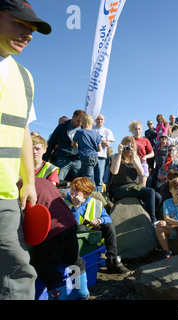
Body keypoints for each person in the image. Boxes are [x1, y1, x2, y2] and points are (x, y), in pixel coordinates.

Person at [0, 0, 51, 300]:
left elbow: (22, 133)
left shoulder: (25, 78)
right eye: (20, 23)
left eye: (31, 28)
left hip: (5, 197)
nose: (28, 34)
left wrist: (29, 180)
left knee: (18, 273)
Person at [18, 177, 88, 300]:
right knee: (73, 259)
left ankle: (59, 297)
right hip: (68, 223)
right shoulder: (41, 180)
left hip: (48, 230)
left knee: (47, 269)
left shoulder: (19, 188)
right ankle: (81, 291)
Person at [65, 177, 130, 275]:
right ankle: (81, 264)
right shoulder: (65, 203)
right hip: (75, 238)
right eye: (72, 189)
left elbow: (108, 219)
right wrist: (75, 207)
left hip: (94, 233)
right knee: (80, 228)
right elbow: (73, 225)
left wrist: (100, 220)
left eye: (77, 190)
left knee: (109, 226)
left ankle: (113, 261)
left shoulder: (95, 203)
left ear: (86, 194)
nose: (72, 192)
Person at [109, 136, 161, 224]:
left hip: (135, 187)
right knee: (150, 191)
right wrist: (119, 153)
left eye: (132, 146)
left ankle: (146, 212)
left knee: (158, 197)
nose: (129, 148)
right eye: (127, 146)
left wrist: (134, 158)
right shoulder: (116, 156)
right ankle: (153, 220)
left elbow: (141, 173)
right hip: (121, 188)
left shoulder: (135, 157)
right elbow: (114, 171)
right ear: (123, 146)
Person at [44, 109, 86, 183]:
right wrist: (45, 159)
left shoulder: (84, 129)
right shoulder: (62, 127)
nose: (80, 123)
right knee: (56, 182)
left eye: (82, 122)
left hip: (78, 160)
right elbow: (51, 143)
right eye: (78, 121)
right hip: (63, 159)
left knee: (80, 184)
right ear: (73, 117)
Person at [72, 114, 102, 183]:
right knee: (79, 176)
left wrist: (77, 145)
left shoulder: (80, 132)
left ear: (82, 123)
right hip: (95, 157)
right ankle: (74, 187)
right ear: (93, 123)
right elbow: (99, 149)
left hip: (85, 156)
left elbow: (73, 144)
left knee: (88, 178)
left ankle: (93, 193)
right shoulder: (96, 133)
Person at [93, 113, 115, 192]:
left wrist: (98, 138)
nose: (100, 121)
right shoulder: (91, 129)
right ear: (95, 120)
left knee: (99, 178)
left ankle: (99, 195)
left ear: (104, 121)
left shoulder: (107, 131)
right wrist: (103, 140)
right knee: (90, 177)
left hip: (102, 157)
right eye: (98, 119)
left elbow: (107, 144)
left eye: (101, 119)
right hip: (91, 155)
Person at [129, 120, 154, 187]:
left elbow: (152, 153)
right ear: (132, 130)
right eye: (135, 129)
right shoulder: (129, 140)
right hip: (131, 164)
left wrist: (145, 157)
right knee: (132, 185)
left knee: (142, 187)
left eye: (139, 129)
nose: (137, 131)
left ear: (141, 130)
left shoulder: (145, 140)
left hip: (142, 164)